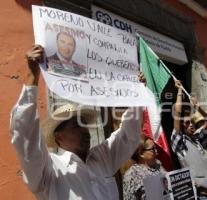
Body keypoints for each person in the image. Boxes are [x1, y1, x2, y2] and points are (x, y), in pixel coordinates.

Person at [10, 45, 143, 200]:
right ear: (59, 137)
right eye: (76, 125)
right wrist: (32, 76)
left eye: (85, 124)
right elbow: (26, 137)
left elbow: (129, 136)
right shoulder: (49, 171)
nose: (85, 130)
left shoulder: (102, 157)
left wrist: (138, 97)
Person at [171, 80, 207, 200]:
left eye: (192, 122)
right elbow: (177, 113)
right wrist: (180, 90)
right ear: (181, 126)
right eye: (187, 123)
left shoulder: (197, 139)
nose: (191, 125)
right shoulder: (180, 143)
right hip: (199, 196)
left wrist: (198, 107)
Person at [122, 136, 165, 200]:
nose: (157, 152)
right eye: (153, 149)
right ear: (141, 153)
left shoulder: (158, 165)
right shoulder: (131, 175)